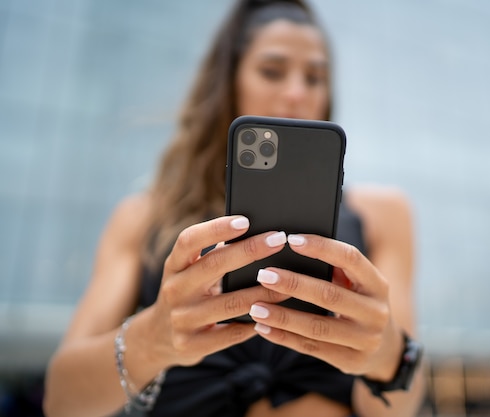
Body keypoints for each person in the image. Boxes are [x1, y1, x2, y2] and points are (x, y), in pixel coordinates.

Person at [43, 1, 424, 416]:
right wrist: (153, 338)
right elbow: (61, 402)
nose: (297, 92)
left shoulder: (384, 214)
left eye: (315, 77)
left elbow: (398, 410)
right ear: (229, 82)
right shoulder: (143, 217)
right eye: (272, 71)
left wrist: (388, 356)